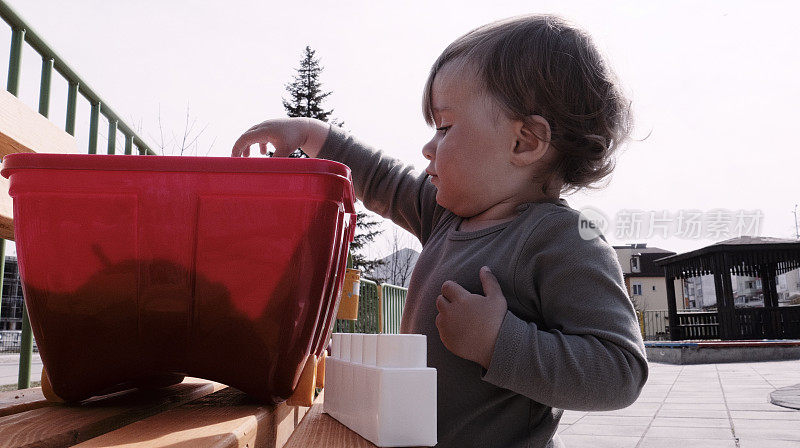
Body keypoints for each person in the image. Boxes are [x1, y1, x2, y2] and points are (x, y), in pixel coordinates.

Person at [232, 14, 648, 448]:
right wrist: (309, 133)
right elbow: (379, 177)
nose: (428, 147)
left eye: (445, 127)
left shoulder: (561, 241)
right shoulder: (445, 215)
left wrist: (498, 342)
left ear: (524, 142)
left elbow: (620, 371)